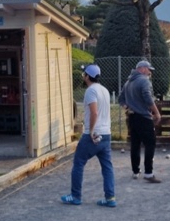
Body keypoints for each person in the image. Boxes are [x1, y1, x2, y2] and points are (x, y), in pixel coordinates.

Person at [61, 64, 115, 207]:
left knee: (78, 163)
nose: (83, 76)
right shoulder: (104, 90)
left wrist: (90, 131)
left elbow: (94, 112)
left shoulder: (90, 91)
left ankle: (75, 196)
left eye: (84, 74)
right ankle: (110, 198)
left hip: (93, 134)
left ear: (87, 76)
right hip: (106, 133)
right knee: (107, 167)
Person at [118, 60, 162, 183]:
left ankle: (135, 171)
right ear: (142, 69)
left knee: (135, 144)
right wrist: (156, 112)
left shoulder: (128, 82)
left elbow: (121, 98)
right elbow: (148, 98)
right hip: (143, 117)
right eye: (149, 69)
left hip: (132, 117)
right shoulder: (144, 81)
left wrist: (128, 107)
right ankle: (148, 173)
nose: (150, 72)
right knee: (150, 144)